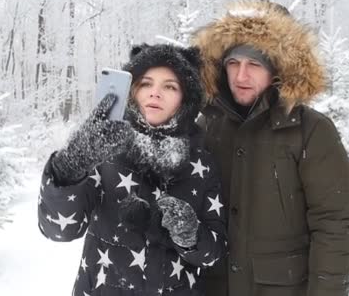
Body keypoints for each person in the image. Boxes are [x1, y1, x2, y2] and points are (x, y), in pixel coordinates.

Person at [192, 0, 349, 296]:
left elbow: (333, 226)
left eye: (254, 64)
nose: (241, 76)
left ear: (278, 68)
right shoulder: (207, 125)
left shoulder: (311, 131)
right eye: (233, 63)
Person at [38, 43, 227, 296]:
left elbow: (214, 254)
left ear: (186, 99)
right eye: (146, 83)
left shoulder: (202, 163)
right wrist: (68, 168)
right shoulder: (103, 150)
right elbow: (59, 230)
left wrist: (191, 236)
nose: (155, 93)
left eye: (170, 86)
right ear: (133, 91)